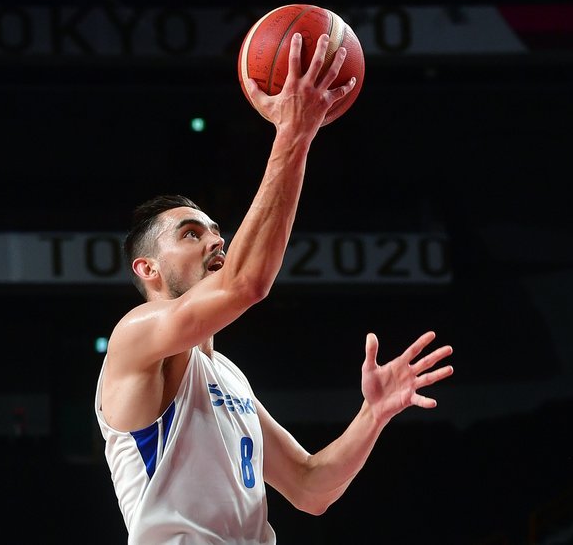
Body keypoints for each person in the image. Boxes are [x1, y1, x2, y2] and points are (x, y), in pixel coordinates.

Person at [94, 32, 454, 544]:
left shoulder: (228, 377)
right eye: (191, 234)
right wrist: (294, 132)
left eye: (217, 232)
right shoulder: (135, 339)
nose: (215, 242)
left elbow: (311, 487)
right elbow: (247, 283)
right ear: (146, 268)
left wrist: (372, 415)